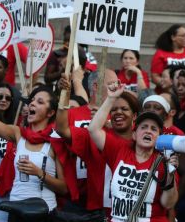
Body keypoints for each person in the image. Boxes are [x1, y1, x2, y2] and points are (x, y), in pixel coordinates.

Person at [0, 64, 67, 222]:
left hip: (44, 214)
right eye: (32, 100)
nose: (32, 103)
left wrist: (39, 173)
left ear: (51, 112)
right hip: (17, 212)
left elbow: (63, 188)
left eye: (40, 102)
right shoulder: (18, 133)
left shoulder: (55, 141)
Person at [88, 82, 179, 222]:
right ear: (135, 134)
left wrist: (170, 176)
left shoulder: (163, 162)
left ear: (159, 137)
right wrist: (111, 98)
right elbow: (93, 129)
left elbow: (167, 203)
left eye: (154, 129)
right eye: (144, 127)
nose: (148, 131)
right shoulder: (119, 150)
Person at [56, 73, 139, 211]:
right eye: (114, 110)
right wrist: (64, 95)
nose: (119, 113)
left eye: (124, 109)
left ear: (134, 116)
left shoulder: (141, 141)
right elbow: (62, 129)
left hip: (131, 212)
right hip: (97, 212)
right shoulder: (94, 137)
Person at [151, 25, 185, 93]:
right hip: (167, 92)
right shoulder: (161, 53)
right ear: (173, 37)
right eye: (183, 36)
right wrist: (164, 83)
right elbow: (155, 76)